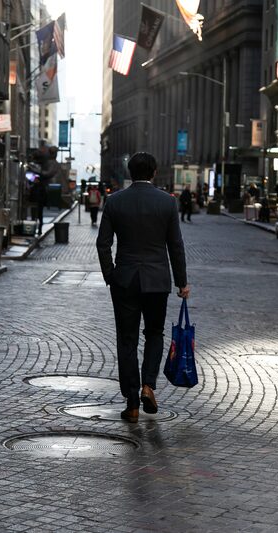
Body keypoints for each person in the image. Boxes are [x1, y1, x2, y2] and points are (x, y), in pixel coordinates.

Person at [96, 152, 189, 423]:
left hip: (124, 280)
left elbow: (103, 243)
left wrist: (110, 274)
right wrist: (181, 282)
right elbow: (176, 246)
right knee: (155, 334)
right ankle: (148, 385)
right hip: (157, 280)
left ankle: (132, 402)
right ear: (154, 172)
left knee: (127, 339)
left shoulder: (115, 201)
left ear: (129, 172)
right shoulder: (167, 203)